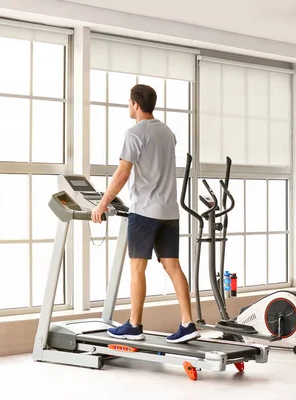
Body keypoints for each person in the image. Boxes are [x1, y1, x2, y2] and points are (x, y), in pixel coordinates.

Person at [91, 84, 199, 344]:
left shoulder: (134, 133)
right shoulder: (168, 132)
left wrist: (103, 203)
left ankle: (134, 324)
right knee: (173, 266)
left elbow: (123, 172)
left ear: (136, 105)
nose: (129, 107)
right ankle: (188, 322)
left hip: (144, 211)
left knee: (137, 268)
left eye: (129, 103)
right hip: (169, 211)